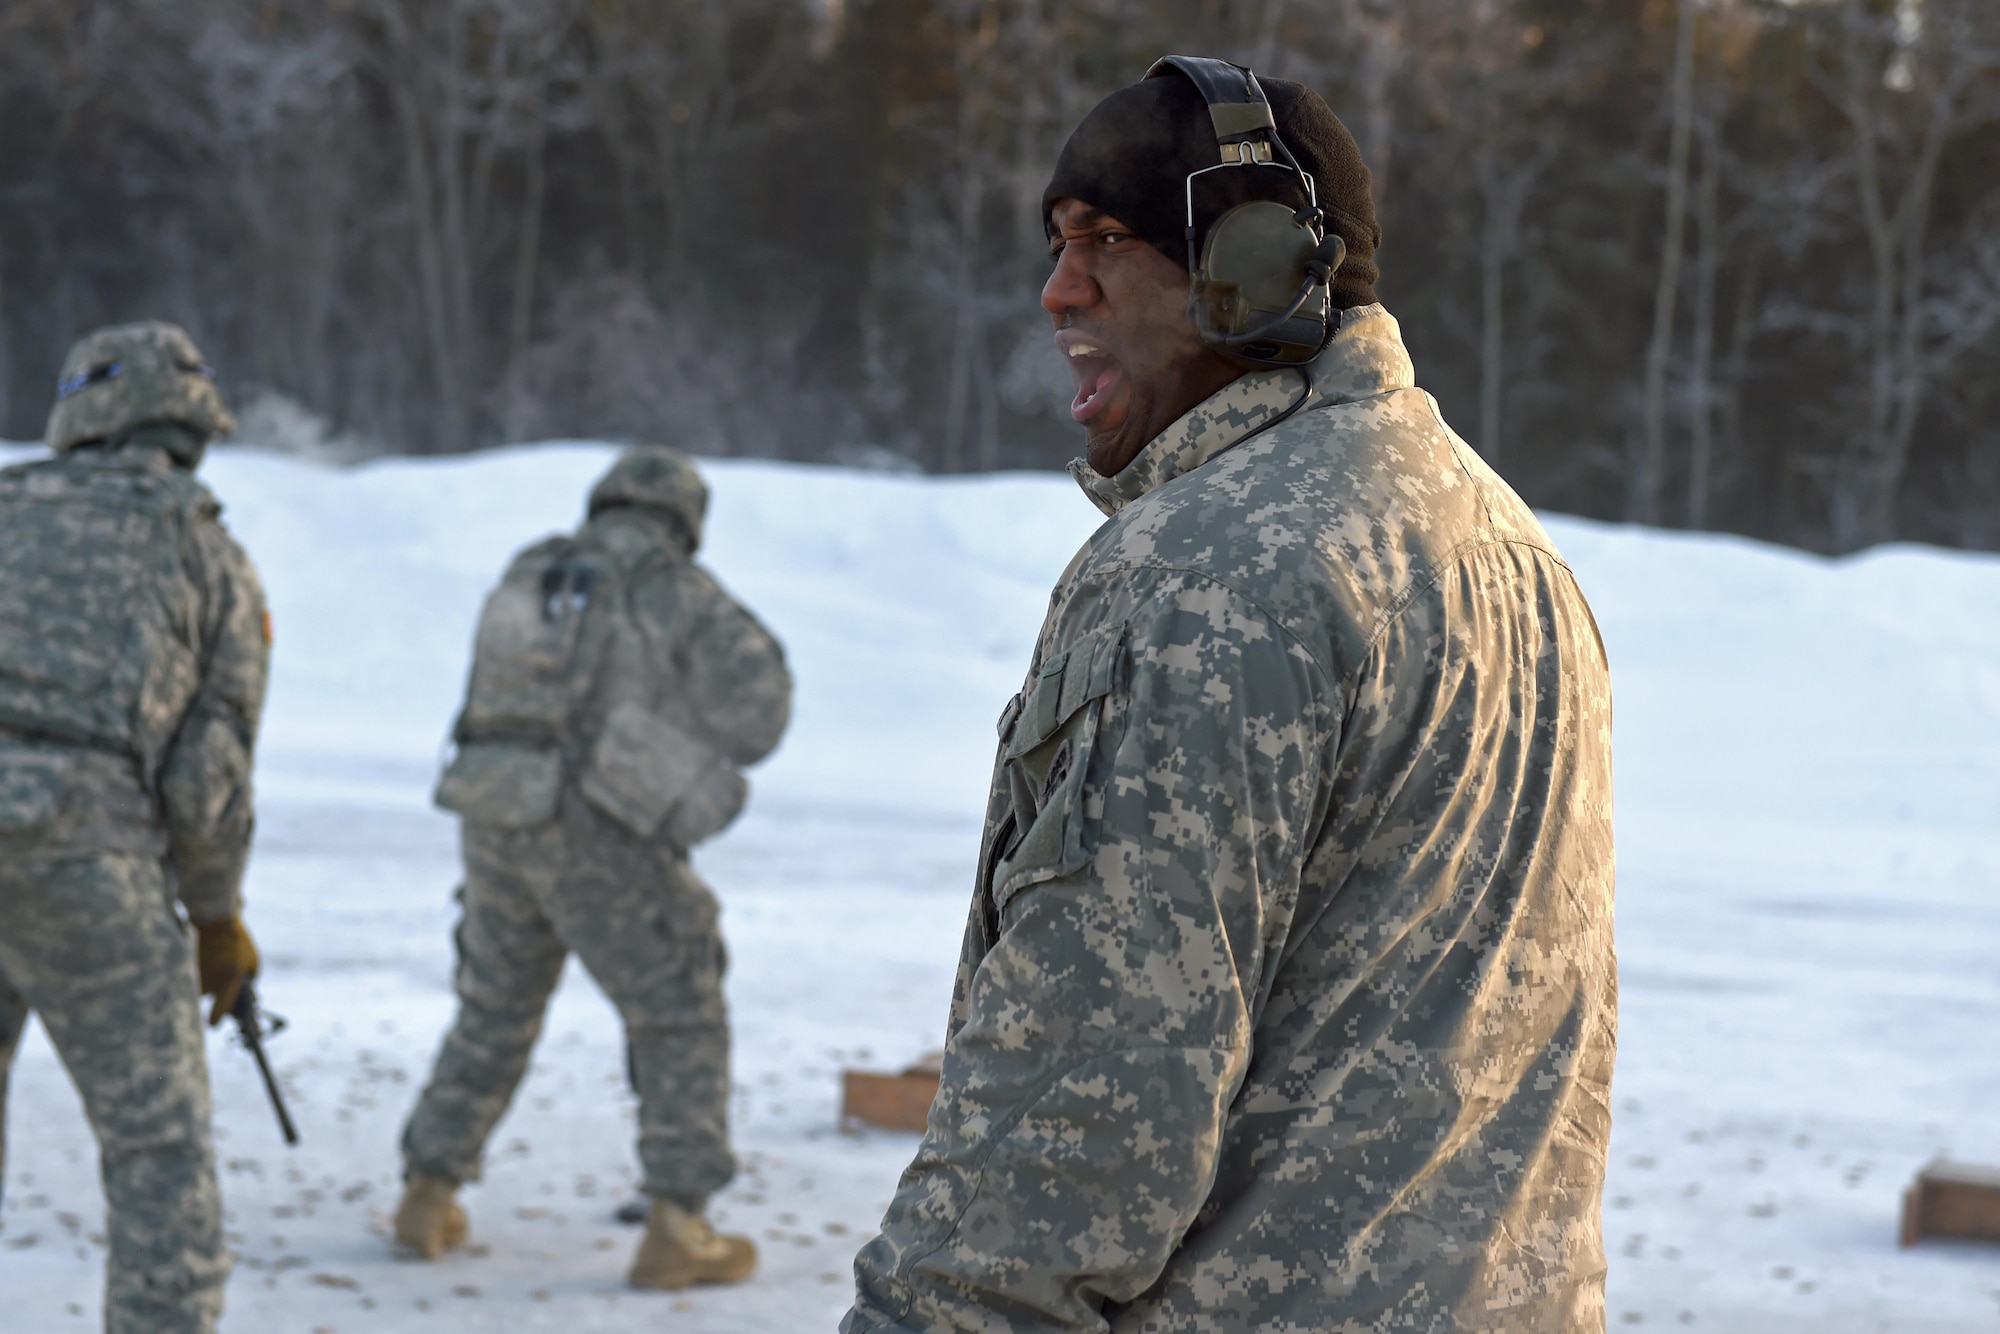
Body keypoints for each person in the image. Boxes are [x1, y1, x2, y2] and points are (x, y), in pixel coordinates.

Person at [844, 58, 1616, 1332]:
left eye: (1106, 240)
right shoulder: (1509, 547)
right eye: (1053, 242)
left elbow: (1085, 1107)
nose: (1057, 289)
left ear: (1254, 268)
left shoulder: (1210, 571)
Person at [394, 445, 792, 1291]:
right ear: (682, 520)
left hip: (494, 815)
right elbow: (759, 711)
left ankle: (427, 1192)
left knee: (493, 1007)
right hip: (595, 829)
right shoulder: (667, 584)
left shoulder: (533, 568)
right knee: (677, 1002)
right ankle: (680, 1223)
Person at [0, 321, 270, 1334]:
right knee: (157, 1151)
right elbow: (207, 778)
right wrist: (214, 916)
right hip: (87, 857)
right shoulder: (207, 551)